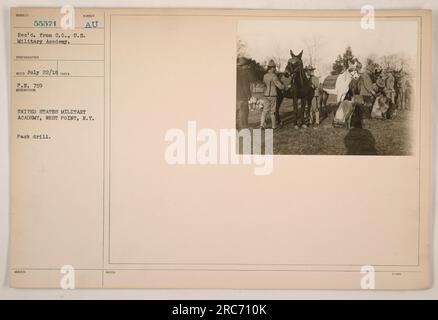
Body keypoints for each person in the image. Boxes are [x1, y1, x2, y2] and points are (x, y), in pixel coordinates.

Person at [261, 59, 284, 129]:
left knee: (265, 110)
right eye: (274, 67)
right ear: (272, 68)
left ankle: (262, 125)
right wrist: (285, 87)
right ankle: (274, 126)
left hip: (266, 95)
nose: (275, 69)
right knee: (272, 111)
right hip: (273, 95)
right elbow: (279, 85)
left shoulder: (265, 76)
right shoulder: (274, 76)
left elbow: (264, 85)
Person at [236, 56, 254, 129]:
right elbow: (245, 85)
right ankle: (245, 127)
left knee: (237, 112)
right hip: (242, 96)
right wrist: (249, 95)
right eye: (246, 65)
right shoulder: (243, 73)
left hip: (235, 96)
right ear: (243, 65)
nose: (247, 67)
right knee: (244, 111)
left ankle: (237, 126)